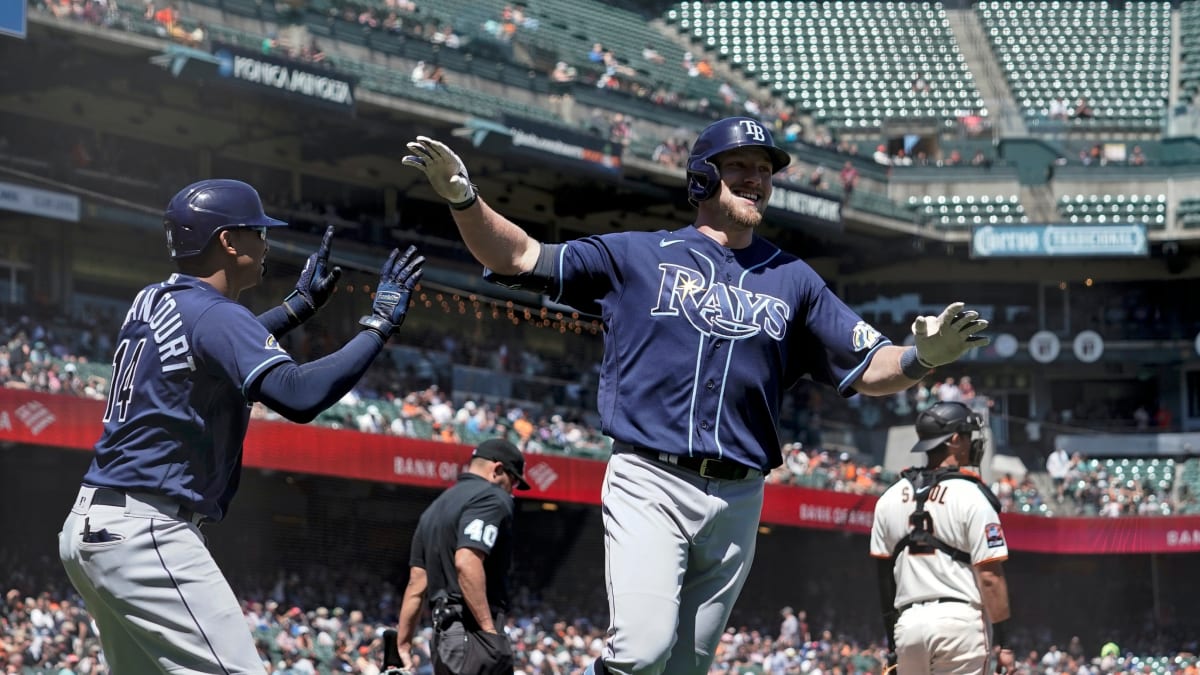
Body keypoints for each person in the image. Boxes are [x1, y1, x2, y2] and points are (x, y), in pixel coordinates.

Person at [402, 117, 991, 675]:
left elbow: (870, 364)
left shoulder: (795, 279)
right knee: (642, 647)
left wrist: (923, 358)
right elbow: (519, 255)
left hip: (739, 497)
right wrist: (464, 201)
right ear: (703, 177)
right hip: (651, 479)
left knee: (683, 668)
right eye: (740, 166)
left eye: (765, 170)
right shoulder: (636, 255)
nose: (757, 179)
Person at [58, 178, 425, 674]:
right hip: (148, 532)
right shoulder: (216, 314)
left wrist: (295, 310)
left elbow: (209, 347)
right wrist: (378, 325)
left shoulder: (154, 298)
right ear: (228, 241)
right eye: (257, 230)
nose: (265, 240)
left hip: (94, 526)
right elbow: (299, 395)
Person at [870, 401, 1015, 675]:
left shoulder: (888, 498)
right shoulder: (973, 496)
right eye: (968, 435)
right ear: (955, 440)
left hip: (909, 625)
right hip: (960, 623)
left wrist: (892, 644)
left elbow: (885, 581)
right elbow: (989, 577)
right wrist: (1005, 644)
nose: (973, 442)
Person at [393, 439, 529, 675]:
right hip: (472, 632)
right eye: (513, 480)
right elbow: (467, 561)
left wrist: (403, 644)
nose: (513, 488)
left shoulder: (435, 508)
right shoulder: (492, 498)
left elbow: (417, 584)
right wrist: (489, 632)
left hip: (444, 638)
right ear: (497, 470)